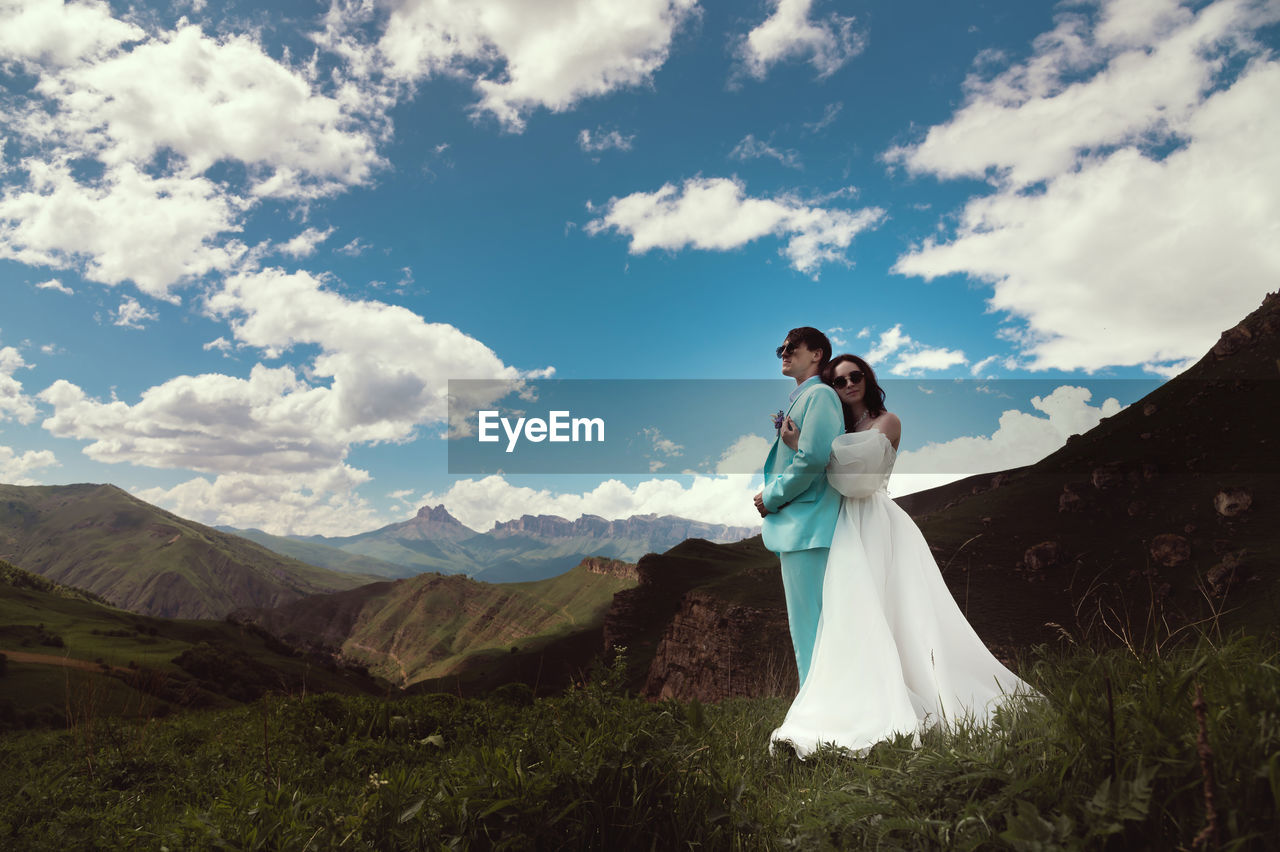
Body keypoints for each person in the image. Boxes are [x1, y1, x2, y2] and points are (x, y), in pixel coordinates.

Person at [769, 354, 1036, 758]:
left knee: (895, 610)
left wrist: (803, 447)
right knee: (852, 614)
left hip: (875, 522)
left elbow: (856, 483)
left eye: (855, 376)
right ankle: (851, 697)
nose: (849, 385)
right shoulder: (841, 426)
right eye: (839, 382)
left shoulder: (886, 422)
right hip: (845, 525)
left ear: (868, 379)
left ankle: (912, 696)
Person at [754, 328, 845, 689]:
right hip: (803, 527)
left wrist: (771, 496)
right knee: (810, 626)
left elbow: (813, 460)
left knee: (809, 628)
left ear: (817, 354)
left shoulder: (819, 395)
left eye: (792, 347)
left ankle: (818, 713)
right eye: (781, 348)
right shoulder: (806, 397)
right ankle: (823, 705)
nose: (783, 353)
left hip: (808, 526)